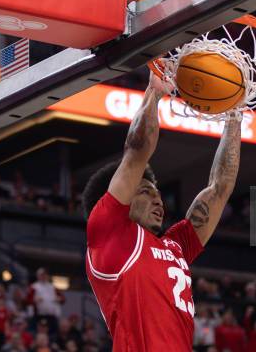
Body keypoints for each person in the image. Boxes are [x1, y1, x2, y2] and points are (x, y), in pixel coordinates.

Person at [83, 71, 242, 351]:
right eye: (146, 192)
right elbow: (136, 153)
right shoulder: (109, 233)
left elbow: (219, 189)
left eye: (158, 194)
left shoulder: (175, 245)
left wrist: (234, 116)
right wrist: (154, 92)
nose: (159, 201)